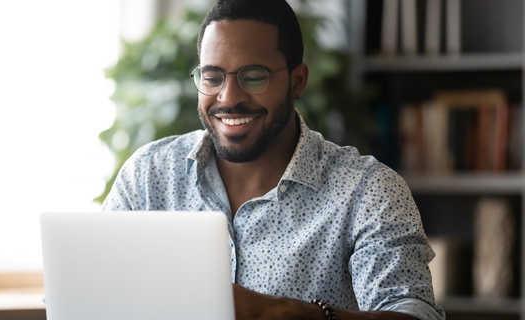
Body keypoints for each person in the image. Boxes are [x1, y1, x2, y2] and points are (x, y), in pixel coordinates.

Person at [102, 0, 445, 319]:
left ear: (298, 82)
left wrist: (284, 312)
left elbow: (414, 313)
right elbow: (91, 293)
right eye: (212, 76)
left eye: (254, 76)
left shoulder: (367, 190)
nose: (229, 97)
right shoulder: (148, 175)